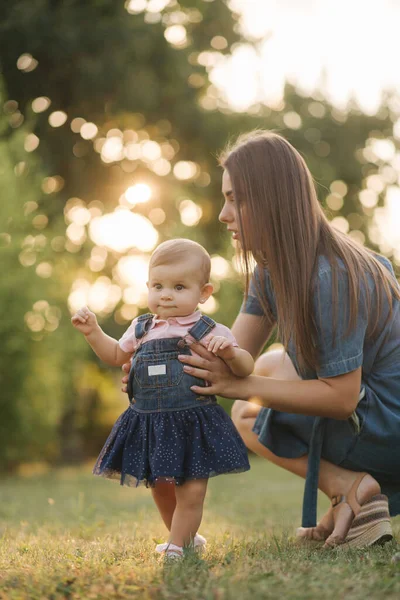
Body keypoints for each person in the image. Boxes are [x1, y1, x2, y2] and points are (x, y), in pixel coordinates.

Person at [123, 131, 400, 550]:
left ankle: (354, 492)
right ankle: (350, 489)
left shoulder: (331, 275)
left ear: (272, 200)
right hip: (374, 415)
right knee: (263, 373)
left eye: (235, 199)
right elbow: (223, 355)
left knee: (257, 385)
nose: (223, 214)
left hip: (388, 421)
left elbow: (343, 397)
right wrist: (150, 369)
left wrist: (238, 385)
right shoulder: (273, 273)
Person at [71, 238, 253, 559]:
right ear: (148, 287)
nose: (166, 294)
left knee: (191, 491)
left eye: (179, 287)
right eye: (158, 285)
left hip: (192, 422)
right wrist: (93, 333)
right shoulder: (141, 328)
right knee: (160, 487)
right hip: (150, 423)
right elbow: (115, 355)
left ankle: (177, 546)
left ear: (204, 293)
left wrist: (230, 353)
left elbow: (246, 366)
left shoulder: (209, 330)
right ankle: (182, 538)